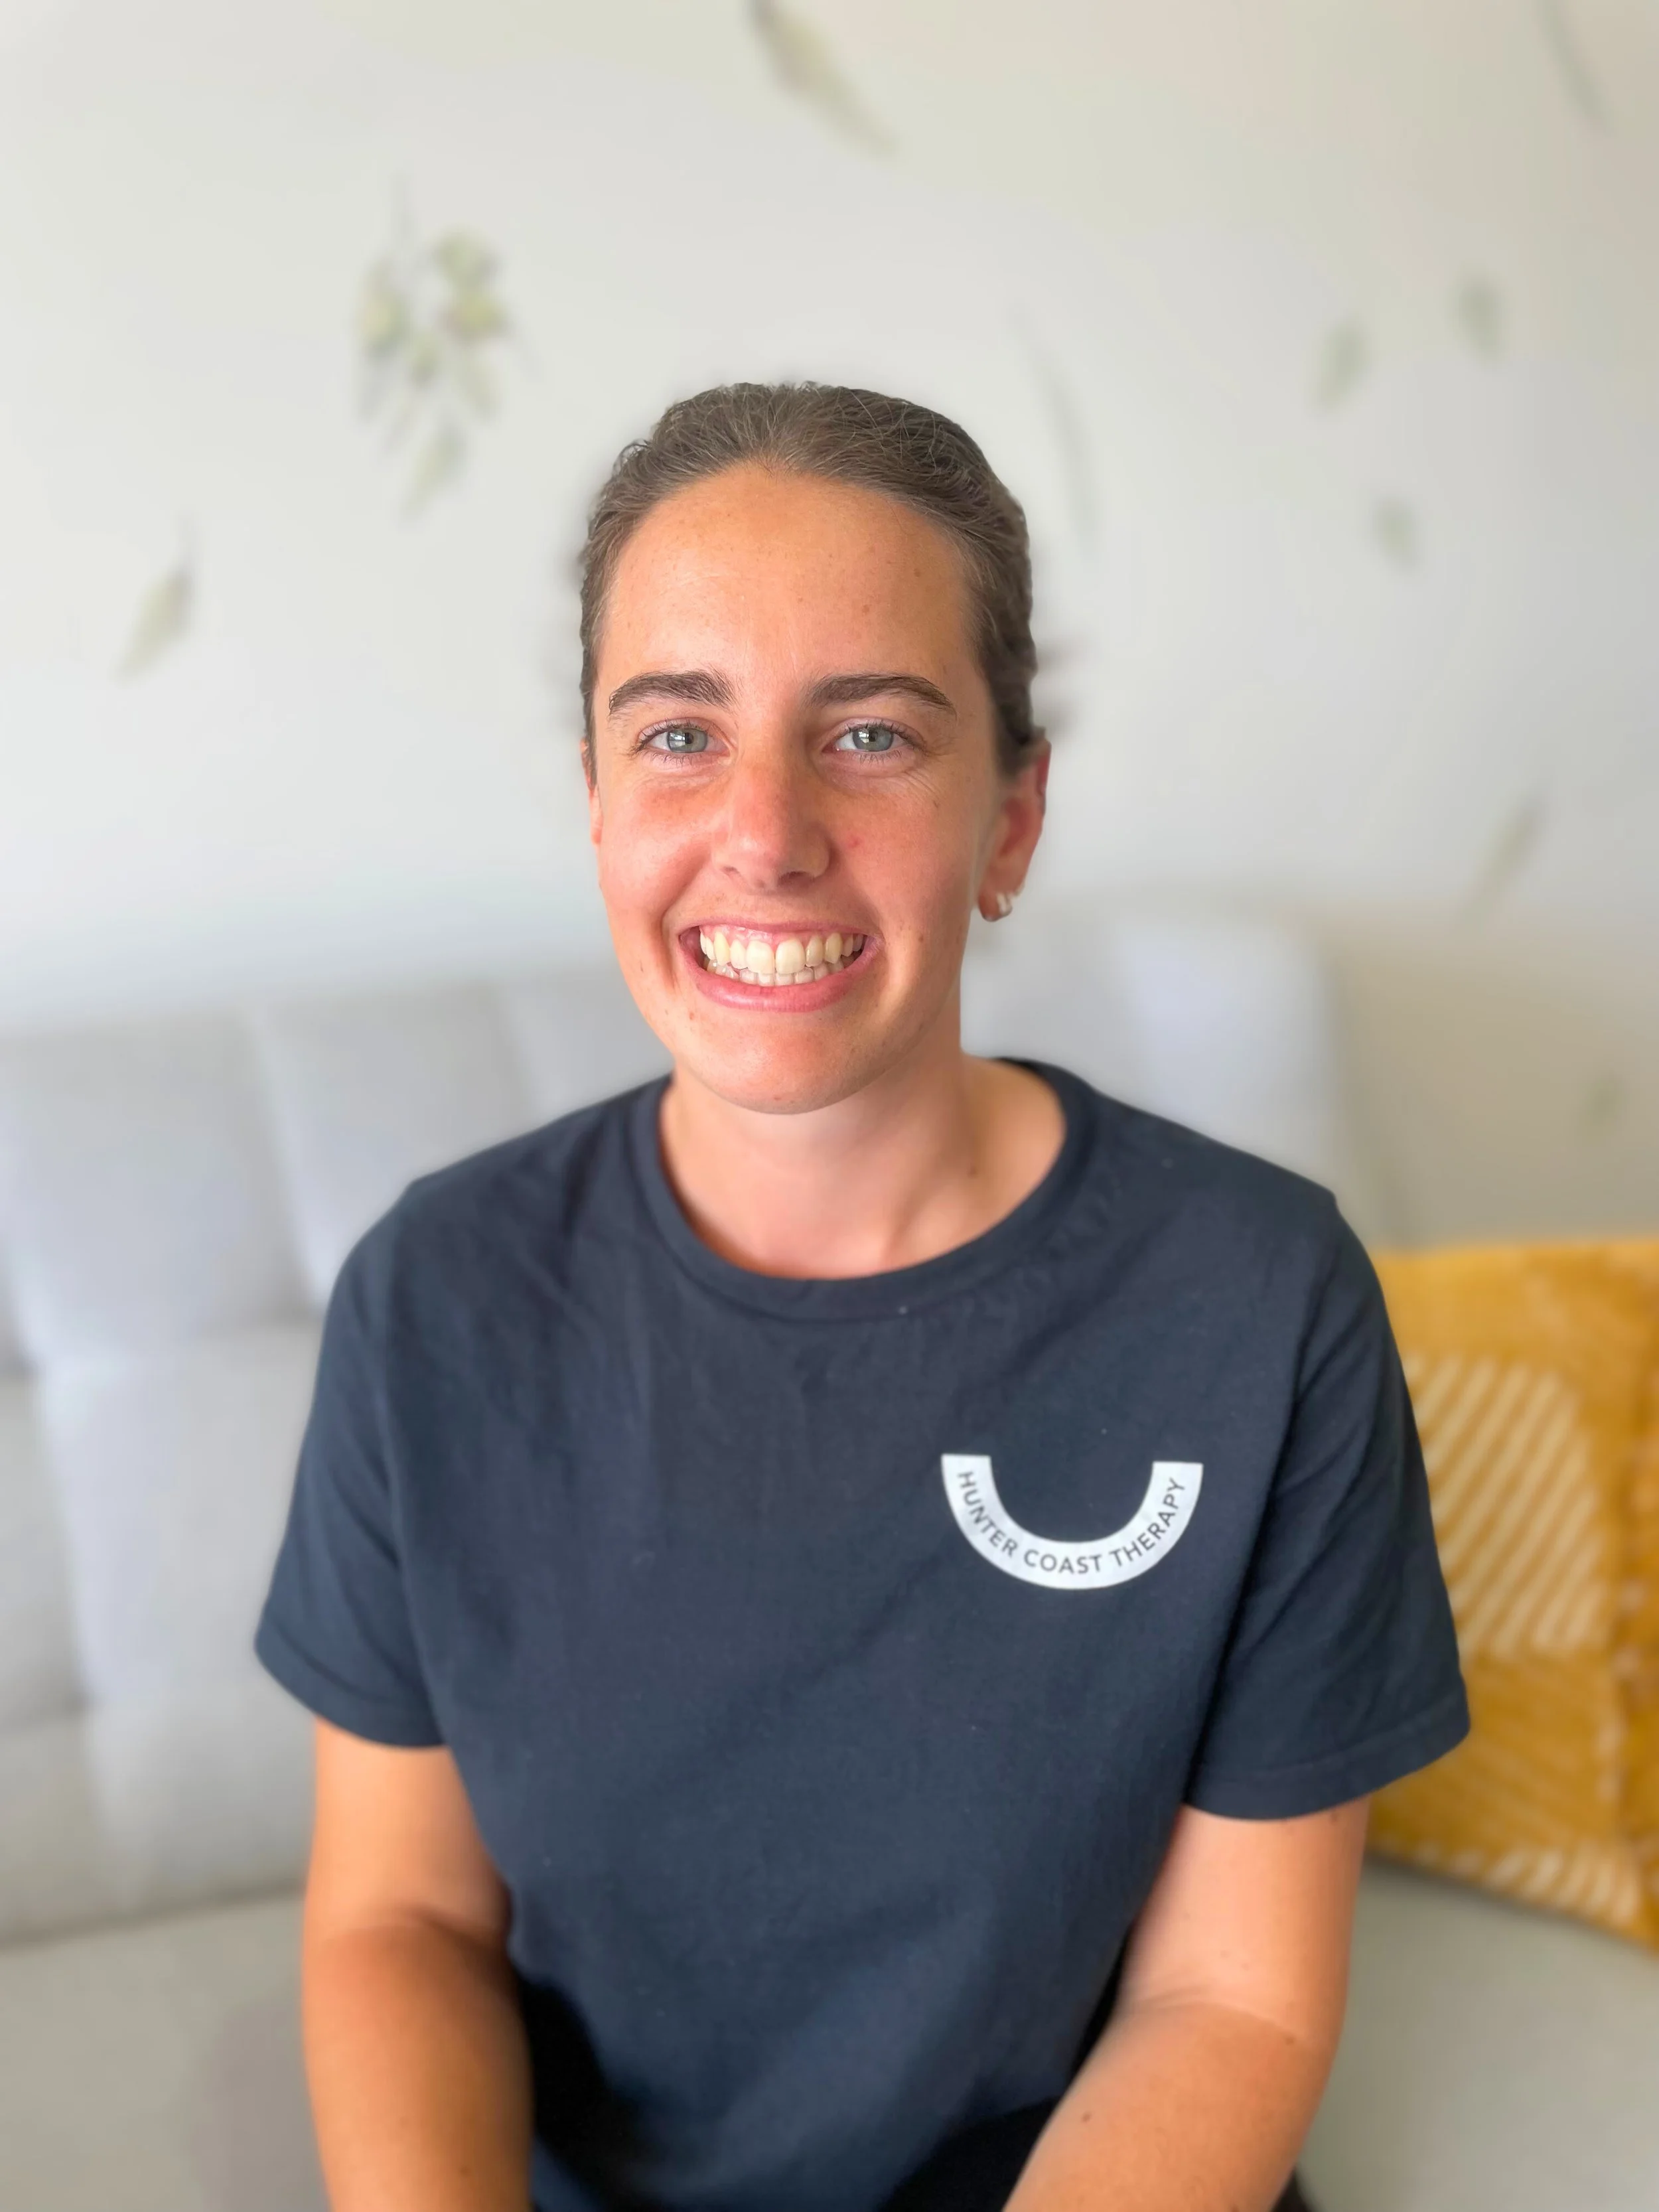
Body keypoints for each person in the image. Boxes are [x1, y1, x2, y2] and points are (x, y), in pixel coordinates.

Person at [256, 382, 1468, 2212]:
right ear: (595, 798)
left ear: (1010, 815)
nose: (763, 828)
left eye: (874, 734)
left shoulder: (1257, 1301)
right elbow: (401, 1914)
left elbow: (1229, 1997)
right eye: (677, 733)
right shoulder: (434, 1300)